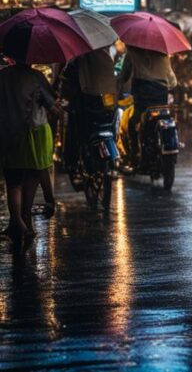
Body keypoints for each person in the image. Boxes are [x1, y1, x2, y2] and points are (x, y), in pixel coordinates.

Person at [0, 57, 58, 246]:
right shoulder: (36, 77)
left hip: (9, 133)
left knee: (14, 183)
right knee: (32, 177)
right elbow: (51, 104)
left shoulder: (3, 76)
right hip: (36, 132)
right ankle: (25, 222)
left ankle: (19, 223)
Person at [60, 47, 117, 201]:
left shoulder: (76, 56)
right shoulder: (106, 54)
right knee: (111, 125)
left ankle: (71, 163)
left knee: (74, 133)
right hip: (106, 107)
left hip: (85, 106)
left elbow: (65, 77)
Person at [118, 46, 177, 162]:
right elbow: (172, 80)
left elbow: (124, 74)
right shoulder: (163, 53)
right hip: (160, 98)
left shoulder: (132, 51)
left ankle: (134, 153)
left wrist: (118, 88)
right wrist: (169, 86)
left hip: (143, 99)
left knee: (132, 123)